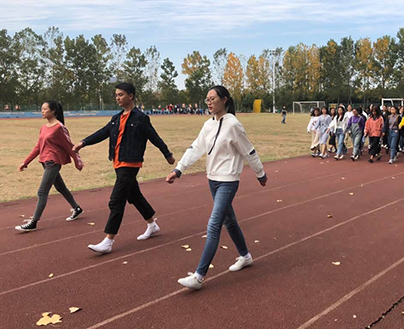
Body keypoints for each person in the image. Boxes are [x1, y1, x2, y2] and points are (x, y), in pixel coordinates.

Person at [166, 86, 266, 290]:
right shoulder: (208, 125)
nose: (209, 102)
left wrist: (260, 173)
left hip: (228, 180)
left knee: (214, 225)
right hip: (212, 179)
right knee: (229, 220)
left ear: (224, 99)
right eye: (207, 99)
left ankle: (199, 276)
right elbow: (196, 148)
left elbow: (249, 151)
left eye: (213, 98)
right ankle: (245, 255)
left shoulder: (233, 125)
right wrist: (179, 169)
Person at [73, 83, 175, 254]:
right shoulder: (116, 118)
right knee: (134, 196)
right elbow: (103, 132)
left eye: (121, 94)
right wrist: (83, 143)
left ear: (131, 96)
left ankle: (108, 241)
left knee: (116, 201)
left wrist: (167, 154)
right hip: (117, 162)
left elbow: (154, 137)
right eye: (116, 95)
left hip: (131, 163)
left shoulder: (140, 118)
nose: (118, 98)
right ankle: (152, 225)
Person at [15, 101, 84, 232]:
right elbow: (38, 147)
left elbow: (69, 146)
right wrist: (26, 162)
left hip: (53, 162)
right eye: (41, 109)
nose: (42, 111)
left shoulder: (59, 128)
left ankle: (34, 222)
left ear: (53, 111)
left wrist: (78, 161)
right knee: (60, 187)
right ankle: (77, 208)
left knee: (42, 192)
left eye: (45, 109)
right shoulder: (44, 127)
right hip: (45, 161)